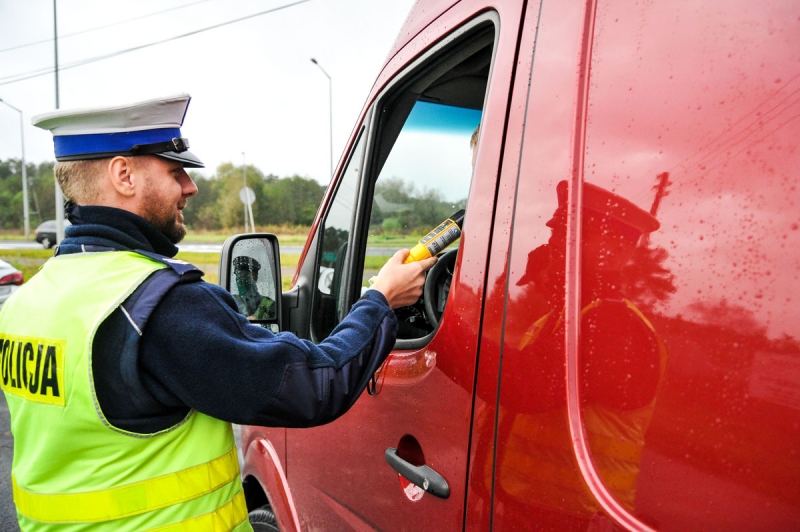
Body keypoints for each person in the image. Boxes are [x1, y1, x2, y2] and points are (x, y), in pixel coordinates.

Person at [0, 94, 436, 531]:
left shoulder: (27, 303)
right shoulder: (158, 303)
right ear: (124, 174)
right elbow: (314, 385)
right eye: (176, 172)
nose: (190, 187)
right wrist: (381, 300)